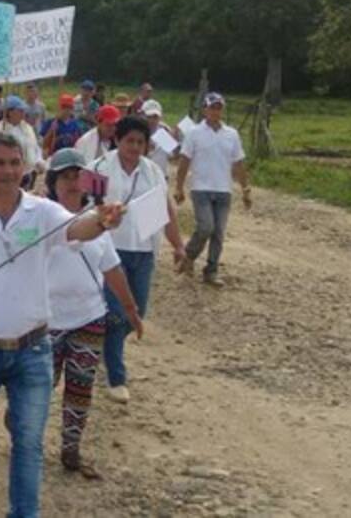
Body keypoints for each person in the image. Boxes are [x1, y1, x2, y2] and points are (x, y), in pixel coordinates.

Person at [0, 133, 125, 517]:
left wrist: (101, 222)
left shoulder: (44, 213)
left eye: (15, 163)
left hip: (34, 350)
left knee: (29, 442)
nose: (8, 171)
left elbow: (77, 229)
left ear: (25, 167)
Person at [44, 147, 143, 479]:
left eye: (77, 177)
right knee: (41, 387)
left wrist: (131, 309)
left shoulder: (99, 220)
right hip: (46, 322)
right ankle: (24, 436)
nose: (72, 184)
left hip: (89, 318)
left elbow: (112, 268)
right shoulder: (39, 218)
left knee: (80, 389)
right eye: (65, 178)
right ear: (53, 182)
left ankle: (71, 449)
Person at [93, 116, 186, 404]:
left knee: (137, 314)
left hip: (145, 250)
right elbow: (86, 206)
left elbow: (166, 209)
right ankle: (116, 376)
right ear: (118, 140)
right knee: (116, 312)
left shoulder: (154, 172)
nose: (134, 147)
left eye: (140, 142)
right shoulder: (99, 168)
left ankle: (105, 347)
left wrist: (178, 245)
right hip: (111, 250)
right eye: (129, 140)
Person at [173, 92, 251, 287]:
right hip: (201, 188)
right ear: (205, 109)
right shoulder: (194, 133)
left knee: (218, 233)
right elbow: (184, 161)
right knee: (206, 226)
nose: (216, 111)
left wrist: (245, 188)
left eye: (219, 107)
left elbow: (239, 163)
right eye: (212, 107)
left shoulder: (231, 134)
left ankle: (211, 271)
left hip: (224, 189)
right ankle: (189, 255)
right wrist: (179, 187)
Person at [0, 96, 43, 190]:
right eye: (20, 110)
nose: (23, 113)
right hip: (9, 175)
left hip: (28, 173)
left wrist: (39, 160)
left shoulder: (28, 128)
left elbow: (35, 147)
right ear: (10, 112)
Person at [140, 100, 175, 176]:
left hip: (161, 176)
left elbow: (173, 157)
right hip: (142, 175)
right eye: (149, 117)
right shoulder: (137, 131)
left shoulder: (165, 131)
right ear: (142, 115)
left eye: (155, 117)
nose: (152, 120)